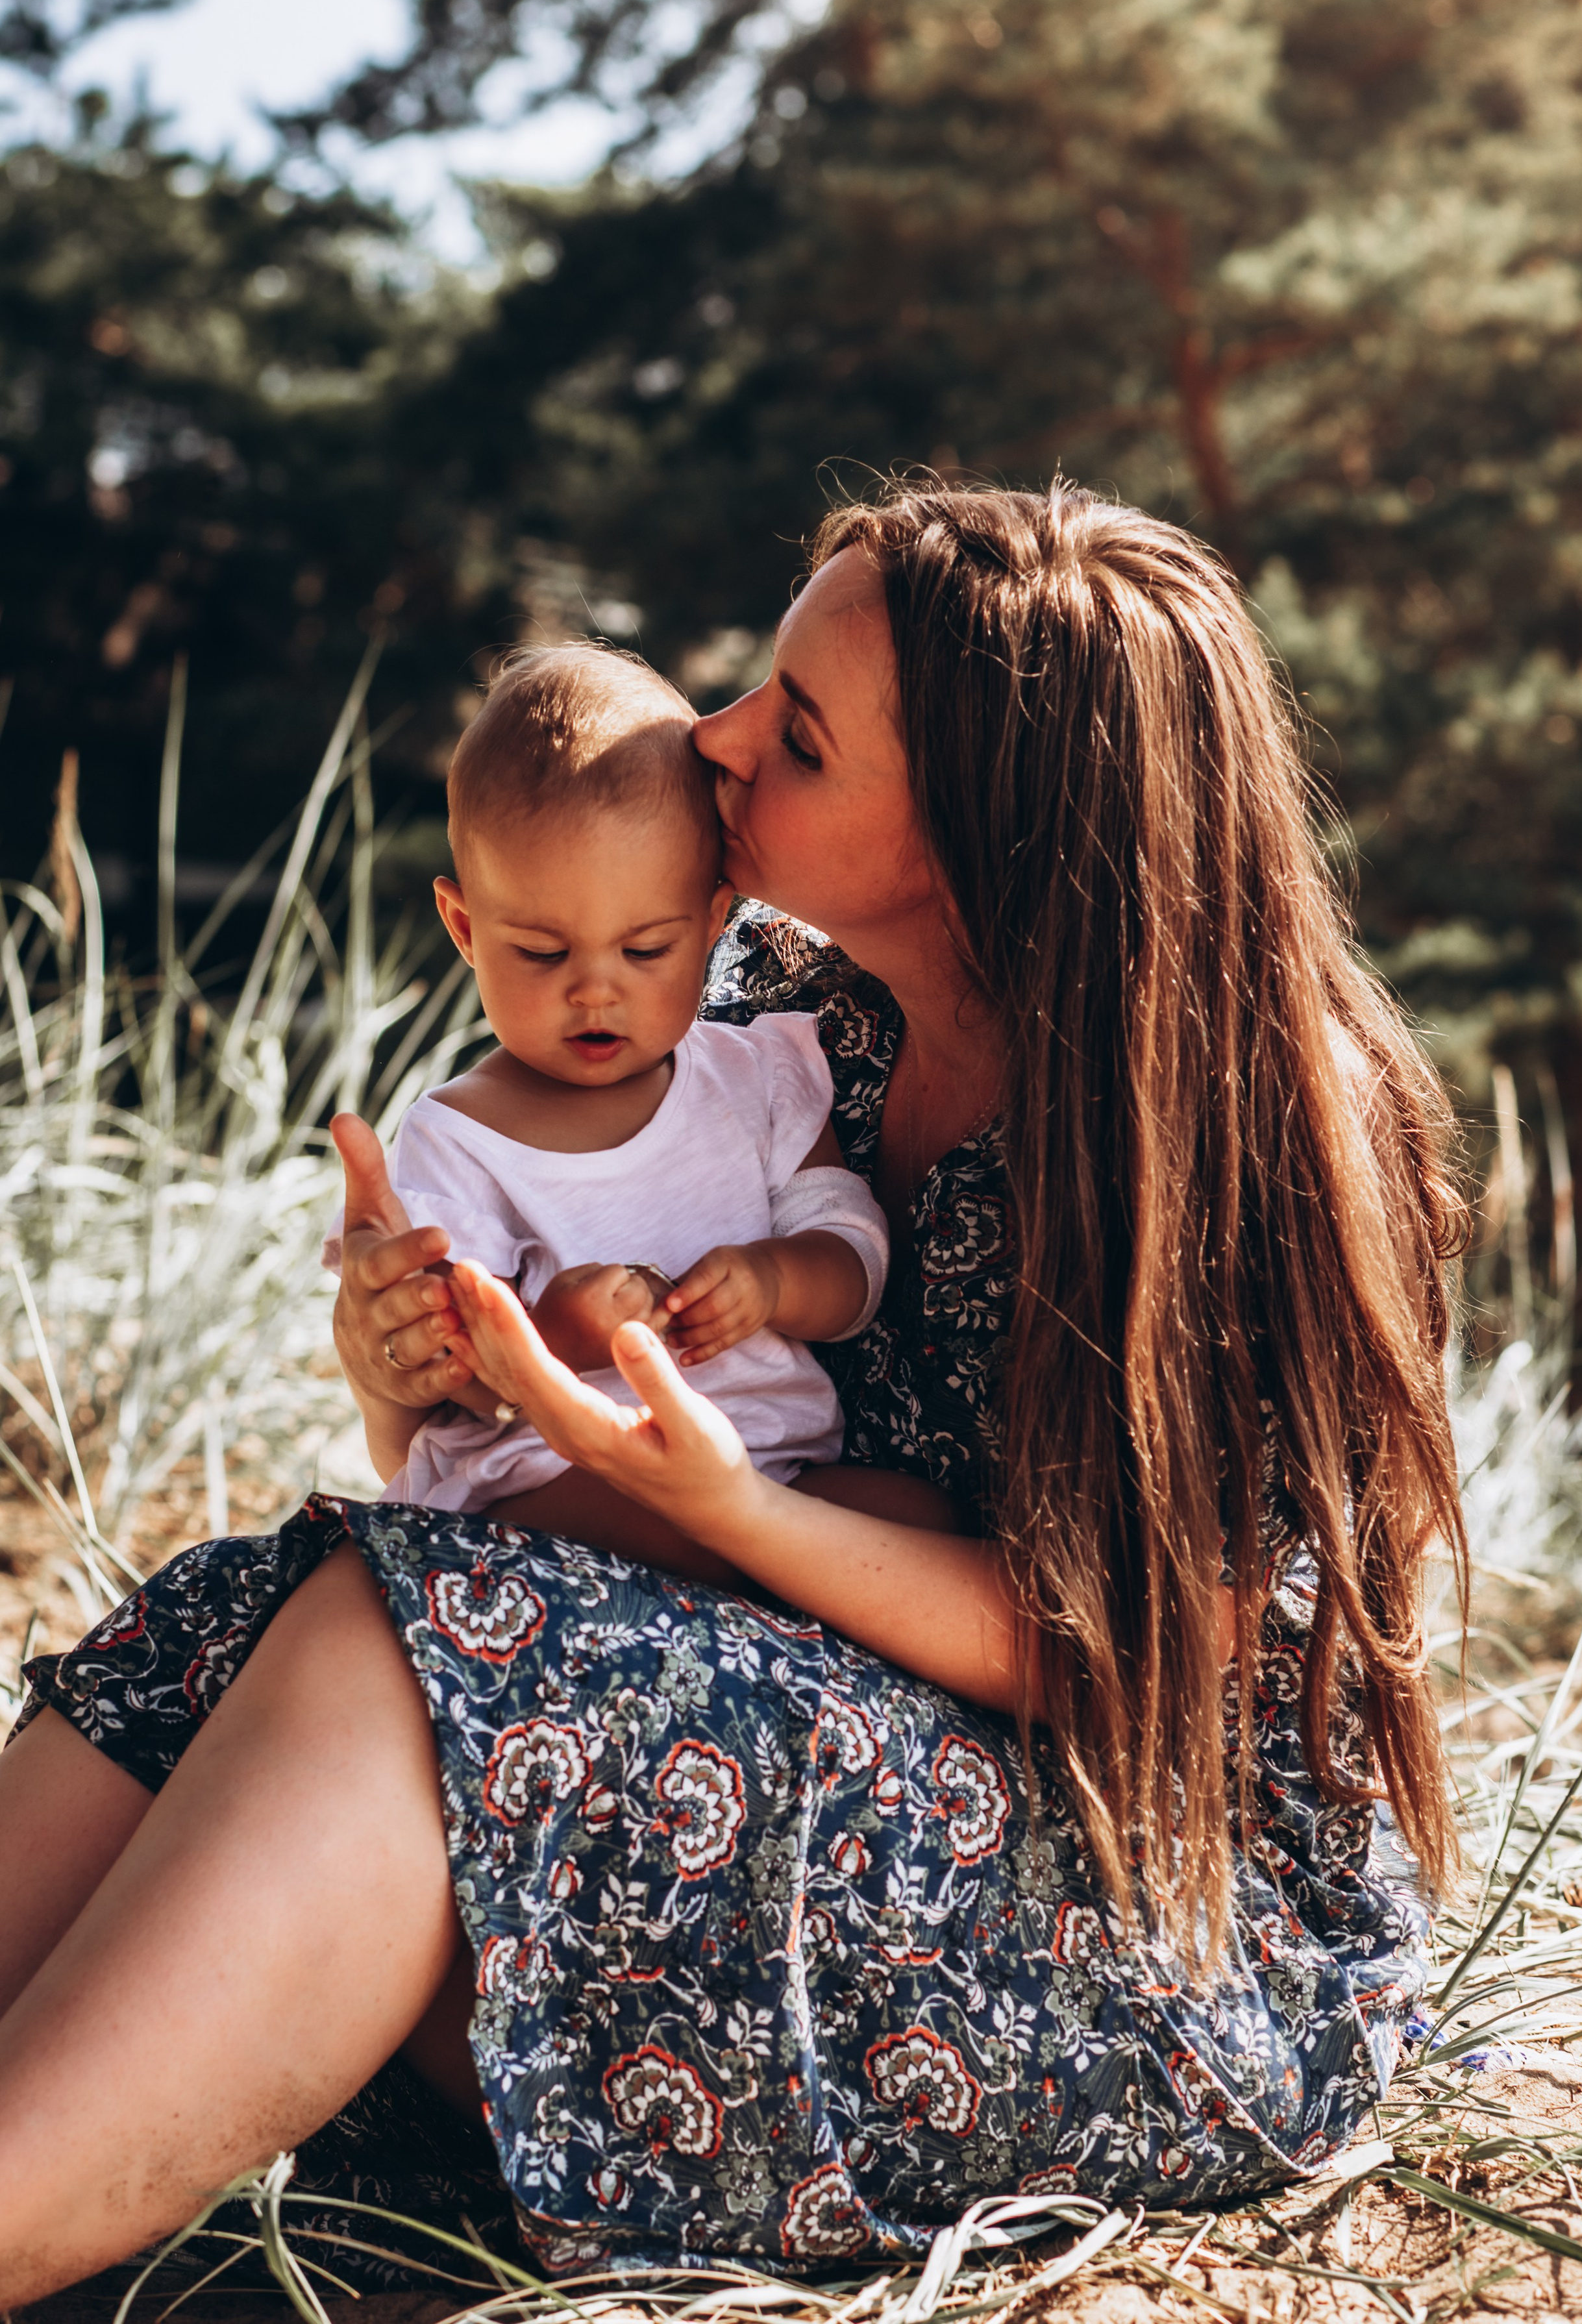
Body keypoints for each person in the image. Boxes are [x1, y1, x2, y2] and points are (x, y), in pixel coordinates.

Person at [0, 481, 1465, 2302]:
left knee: (418, 1641)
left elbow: (1126, 1658)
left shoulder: (1241, 1123)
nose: (719, 734)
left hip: (1149, 1897)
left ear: (982, 821)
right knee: (248, 1607)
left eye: (804, 732)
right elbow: (512, 1445)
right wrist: (415, 1364)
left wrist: (726, 1508)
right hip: (822, 1668)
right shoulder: (786, 1013)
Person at [352, 639, 893, 1548]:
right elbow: (450, 1373)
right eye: (543, 952)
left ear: (714, 922)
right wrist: (553, 1332)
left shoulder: (760, 1076)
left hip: (775, 1479)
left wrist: (774, 1280)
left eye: (646, 950)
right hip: (561, 1477)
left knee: (919, 1518)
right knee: (637, 1522)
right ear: (465, 927)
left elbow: (857, 1258)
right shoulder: (458, 1138)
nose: (595, 991)